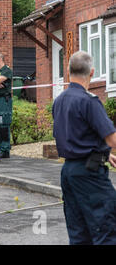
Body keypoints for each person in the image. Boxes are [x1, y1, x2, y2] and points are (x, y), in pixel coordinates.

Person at [52, 51, 116, 245]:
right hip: (89, 174)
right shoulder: (89, 101)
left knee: (79, 232)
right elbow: (112, 139)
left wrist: (104, 153)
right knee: (105, 228)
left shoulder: (59, 101)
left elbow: (75, 133)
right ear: (92, 72)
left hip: (69, 172)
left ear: (68, 71)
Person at [0, 53, 13, 158]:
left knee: (3, 124)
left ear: (0, 59)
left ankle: (5, 149)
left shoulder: (7, 70)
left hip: (3, 100)